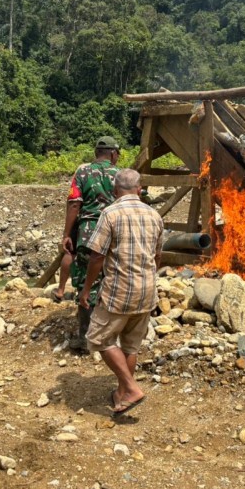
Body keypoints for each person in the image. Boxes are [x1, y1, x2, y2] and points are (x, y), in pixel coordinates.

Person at [79, 169, 163, 416]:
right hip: (147, 290)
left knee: (98, 338)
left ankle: (131, 387)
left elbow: (97, 256)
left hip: (119, 290)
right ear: (140, 189)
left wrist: (86, 290)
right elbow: (157, 256)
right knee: (131, 345)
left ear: (115, 191)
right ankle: (122, 394)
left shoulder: (110, 213)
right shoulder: (154, 215)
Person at [61, 136, 120, 351]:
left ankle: (86, 336)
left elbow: (74, 204)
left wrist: (67, 233)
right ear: (113, 154)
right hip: (115, 233)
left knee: (87, 281)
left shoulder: (82, 173)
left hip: (88, 233)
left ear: (96, 153)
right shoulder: (120, 175)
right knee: (113, 279)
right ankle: (110, 336)